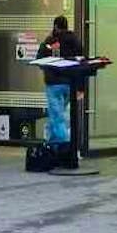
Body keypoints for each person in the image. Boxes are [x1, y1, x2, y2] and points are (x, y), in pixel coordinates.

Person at [35, 16, 84, 154]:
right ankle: (54, 147)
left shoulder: (51, 40)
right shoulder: (75, 40)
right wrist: (81, 87)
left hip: (54, 84)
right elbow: (81, 64)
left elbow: (39, 59)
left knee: (57, 118)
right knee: (58, 117)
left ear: (56, 26)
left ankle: (65, 149)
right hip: (70, 84)